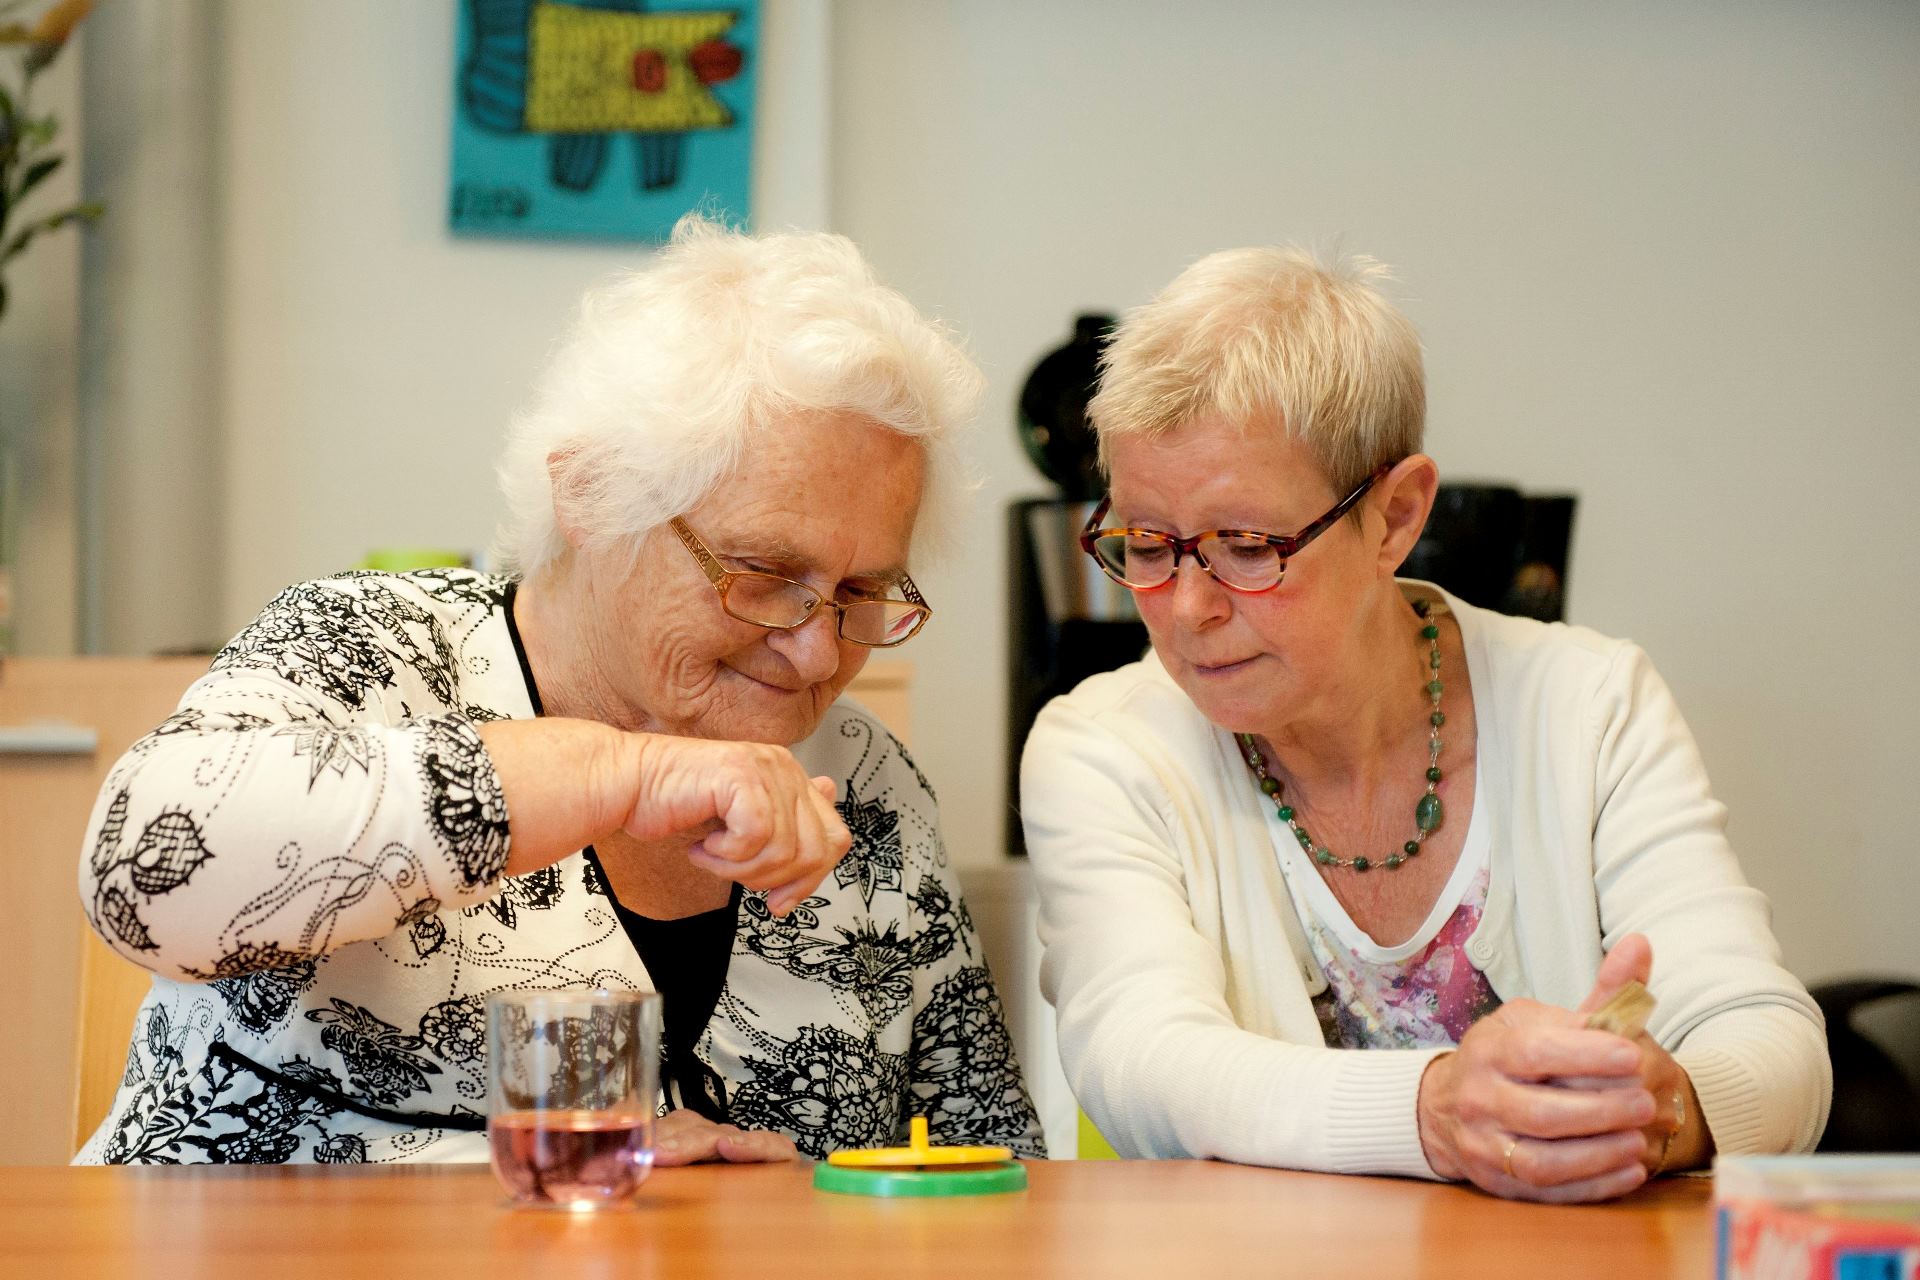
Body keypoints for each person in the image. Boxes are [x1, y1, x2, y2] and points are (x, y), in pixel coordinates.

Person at [77, 217, 1044, 1166]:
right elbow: (135, 872)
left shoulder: (865, 784)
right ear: (591, 497)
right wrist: (618, 771)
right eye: (760, 573)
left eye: (862, 593)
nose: (814, 654)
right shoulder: (374, 652)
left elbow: (992, 1166)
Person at [1019, 246, 1827, 1201]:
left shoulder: (1591, 706)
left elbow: (1771, 1043)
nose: (1186, 606)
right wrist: (1438, 1109)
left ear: (1395, 516)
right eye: (1147, 544)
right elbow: (1142, 1062)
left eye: (1246, 546)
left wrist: (1669, 1106)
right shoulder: (1104, 747)